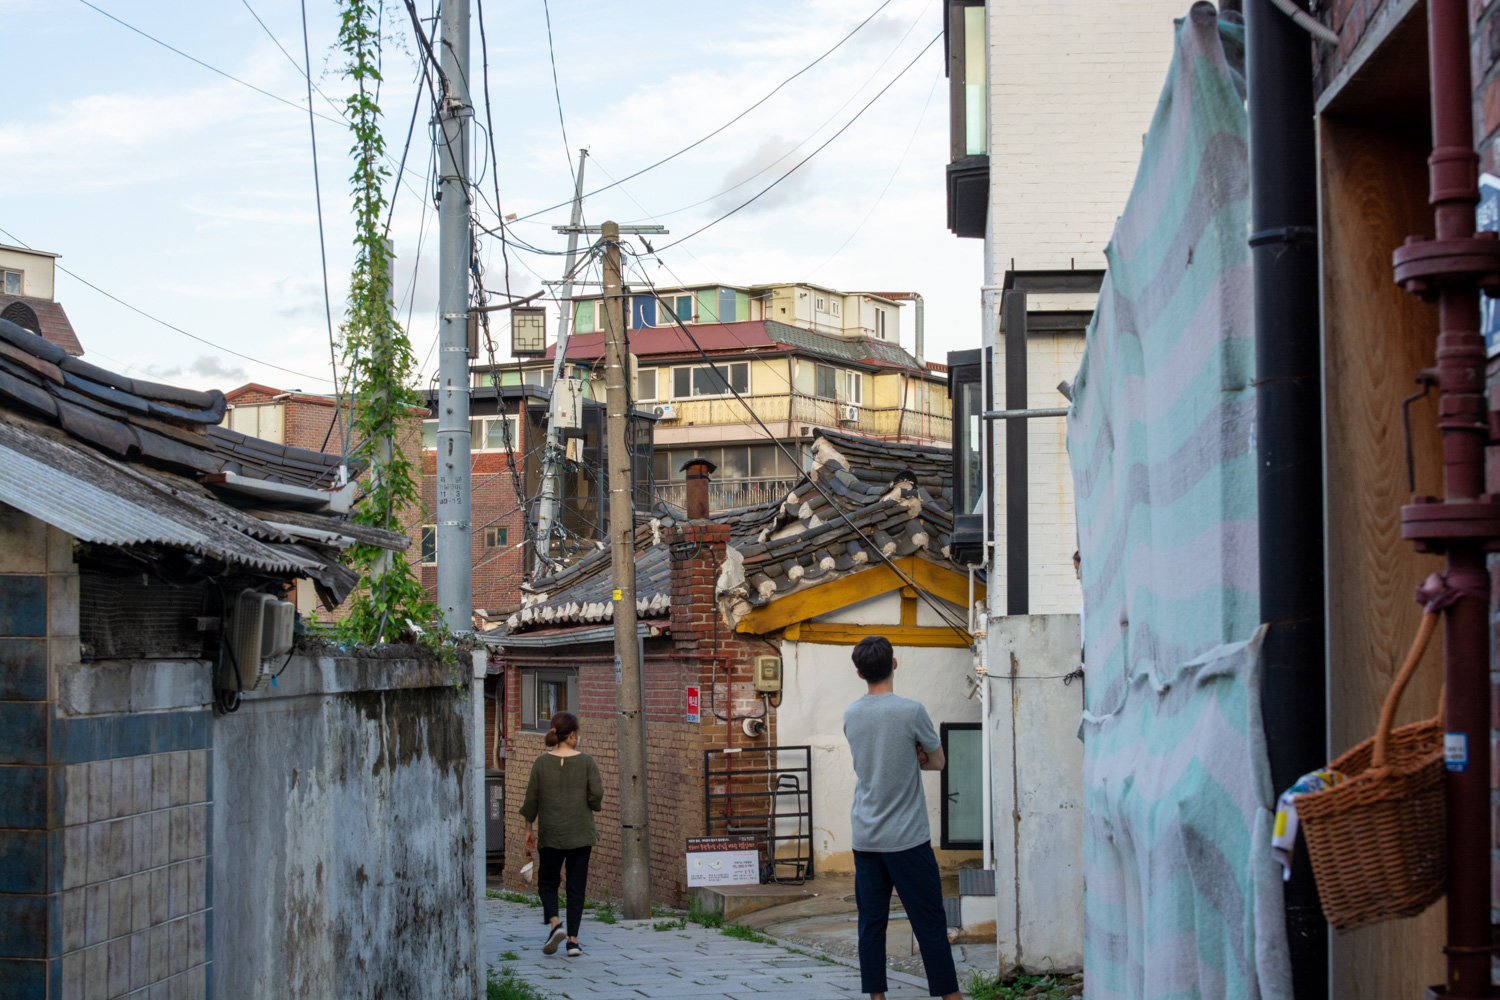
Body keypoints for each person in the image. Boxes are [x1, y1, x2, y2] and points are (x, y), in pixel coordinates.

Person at [842, 635, 961, 1000]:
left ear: (859, 672)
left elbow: (873, 760)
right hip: (907, 838)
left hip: (865, 836)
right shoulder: (912, 711)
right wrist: (919, 757)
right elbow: (939, 762)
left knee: (871, 923)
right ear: (894, 664)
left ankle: (876, 997)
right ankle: (950, 996)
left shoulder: (851, 714)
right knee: (928, 923)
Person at [519, 711, 603, 958]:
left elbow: (531, 800)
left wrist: (528, 830)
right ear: (574, 735)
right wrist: (590, 804)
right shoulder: (587, 762)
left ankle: (556, 924)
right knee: (576, 887)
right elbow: (596, 794)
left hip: (551, 835)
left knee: (548, 883)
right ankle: (573, 942)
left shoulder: (541, 763)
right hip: (581, 834)